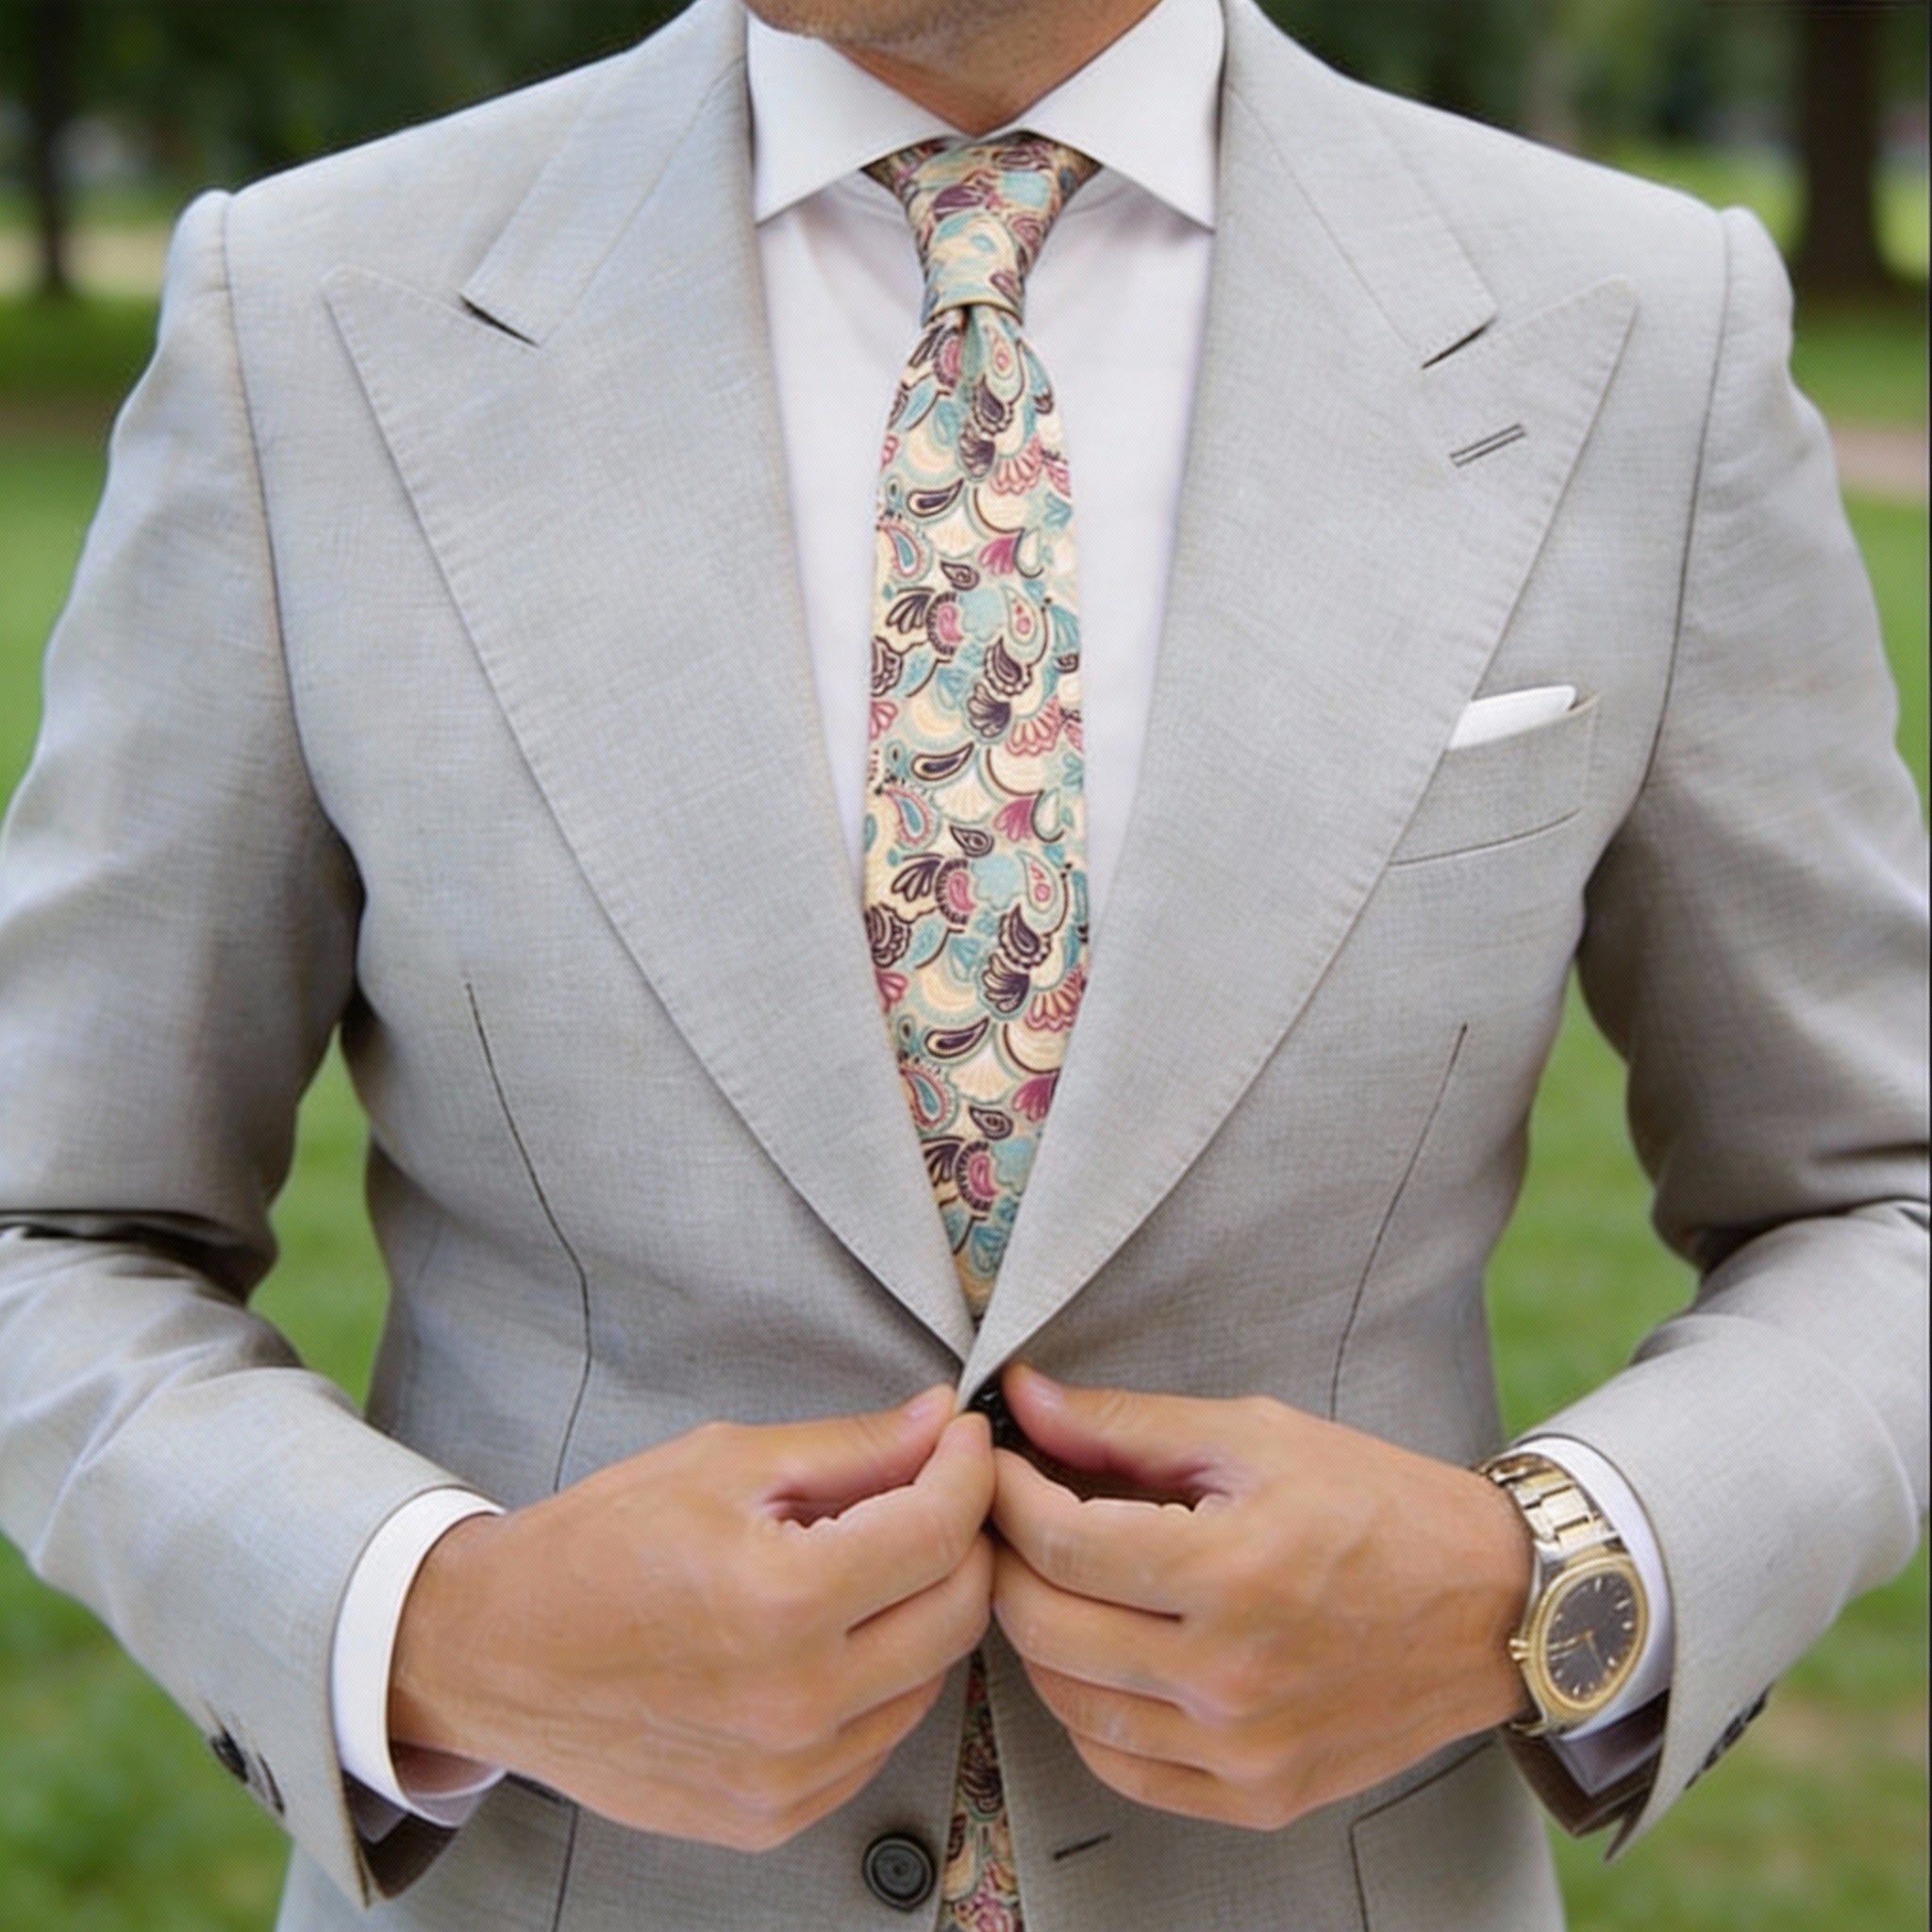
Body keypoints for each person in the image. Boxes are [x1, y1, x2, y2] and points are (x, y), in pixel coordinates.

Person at [0, 0, 1924, 1925]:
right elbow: (52, 1227)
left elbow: (1877, 1198)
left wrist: (1546, 1580)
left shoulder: (1637, 328)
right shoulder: (310, 313)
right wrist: (444, 1626)